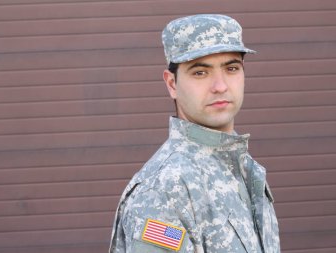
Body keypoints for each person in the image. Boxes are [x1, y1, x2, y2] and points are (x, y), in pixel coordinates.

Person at [109, 14, 280, 253]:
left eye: (231, 68)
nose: (220, 86)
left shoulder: (244, 168)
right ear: (172, 84)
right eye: (200, 72)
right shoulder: (165, 190)